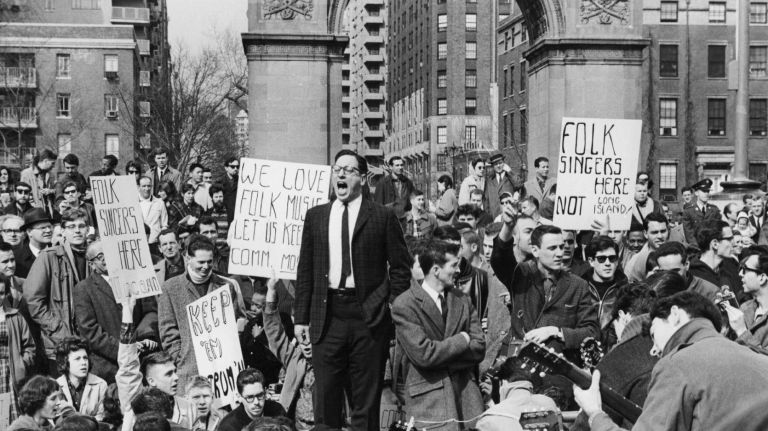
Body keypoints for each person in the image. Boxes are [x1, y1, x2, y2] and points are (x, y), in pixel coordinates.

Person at [295, 150, 411, 430]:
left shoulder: (382, 216)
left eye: (349, 170)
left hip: (368, 319)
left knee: (365, 404)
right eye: (337, 170)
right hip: (327, 316)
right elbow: (306, 270)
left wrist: (390, 304)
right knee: (325, 400)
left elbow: (400, 267)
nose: (341, 175)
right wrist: (301, 318)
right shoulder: (316, 217)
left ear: (362, 178)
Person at [574, 291, 768, 431]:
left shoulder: (677, 364)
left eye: (653, 333)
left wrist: (595, 414)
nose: (653, 349)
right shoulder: (759, 360)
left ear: (675, 314)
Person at [391, 240, 486, 429]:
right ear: (436, 270)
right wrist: (462, 339)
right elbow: (424, 355)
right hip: (429, 399)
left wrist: (439, 357)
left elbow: (479, 347)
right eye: (453, 265)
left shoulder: (463, 299)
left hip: (467, 397)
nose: (458, 270)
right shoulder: (405, 305)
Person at [495, 224, 599, 363]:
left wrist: (556, 331)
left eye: (561, 247)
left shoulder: (578, 285)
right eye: (552, 248)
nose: (560, 253)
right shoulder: (521, 274)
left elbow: (591, 331)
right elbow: (499, 258)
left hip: (558, 369)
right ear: (535, 250)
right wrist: (507, 225)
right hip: (520, 365)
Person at [157, 235, 245, 393]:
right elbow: (167, 331)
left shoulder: (226, 286)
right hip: (189, 369)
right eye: (201, 262)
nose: (206, 266)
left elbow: (232, 326)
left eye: (209, 262)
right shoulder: (170, 288)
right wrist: (181, 356)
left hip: (222, 370)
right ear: (188, 258)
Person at [74, 239, 157, 384]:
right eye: (100, 257)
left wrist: (142, 337)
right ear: (91, 264)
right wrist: (125, 348)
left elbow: (151, 310)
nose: (108, 258)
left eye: (110, 253)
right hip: (108, 366)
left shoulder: (134, 277)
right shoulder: (83, 289)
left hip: (142, 358)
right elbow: (90, 332)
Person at [24, 208, 90, 375]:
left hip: (88, 340)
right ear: (62, 231)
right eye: (71, 226)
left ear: (88, 229)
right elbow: (33, 300)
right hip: (60, 343)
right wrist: (58, 329)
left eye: (81, 226)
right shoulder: (49, 257)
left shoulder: (94, 256)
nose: (77, 230)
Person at [117, 296, 197, 431]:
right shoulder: (135, 403)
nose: (176, 377)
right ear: (151, 381)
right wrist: (128, 311)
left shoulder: (188, 407)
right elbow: (128, 366)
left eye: (174, 371)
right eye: (168, 374)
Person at [263, 274, 315, 430]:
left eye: (310, 337)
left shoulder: (334, 361)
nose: (305, 342)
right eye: (302, 337)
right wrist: (271, 291)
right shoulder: (295, 357)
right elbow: (274, 333)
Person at [0, 273, 36, 423]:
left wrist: (22, 363)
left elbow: (30, 347)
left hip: (12, 373)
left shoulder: (15, 317)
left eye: (1, 293)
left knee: (12, 418)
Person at [583, 236, 628, 349]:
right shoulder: (580, 288)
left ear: (617, 261)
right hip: (583, 352)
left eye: (612, 258)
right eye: (601, 259)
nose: (607, 263)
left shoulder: (626, 291)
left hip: (612, 353)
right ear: (591, 261)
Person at [54, 337, 107, 420]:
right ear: (65, 362)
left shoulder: (100, 384)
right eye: (77, 359)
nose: (83, 363)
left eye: (85, 358)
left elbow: (102, 417)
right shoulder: (55, 386)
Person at [216, 369, 287, 431]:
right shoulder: (228, 426)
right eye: (250, 397)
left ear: (265, 392)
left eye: (260, 395)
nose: (256, 402)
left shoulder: (278, 411)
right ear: (239, 397)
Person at [724, 251, 768, 350]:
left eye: (745, 270)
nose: (740, 274)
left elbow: (764, 361)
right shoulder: (745, 307)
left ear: (762, 278)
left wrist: (741, 331)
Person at [654, 241, 721, 302]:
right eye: (664, 272)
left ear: (686, 265)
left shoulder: (710, 292)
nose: (670, 276)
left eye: (675, 271)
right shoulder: (655, 292)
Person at [689, 221, 741, 295]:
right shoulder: (693, 277)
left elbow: (741, 296)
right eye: (729, 239)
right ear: (715, 244)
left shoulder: (731, 265)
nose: (734, 243)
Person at [490, 212, 537, 288]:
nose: (534, 236)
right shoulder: (506, 266)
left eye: (536, 232)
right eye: (528, 232)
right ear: (513, 237)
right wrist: (508, 226)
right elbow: (500, 254)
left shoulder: (540, 266)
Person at [625, 213, 669, 282]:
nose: (660, 236)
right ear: (645, 234)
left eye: (663, 231)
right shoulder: (635, 262)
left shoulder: (676, 253)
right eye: (654, 232)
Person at [682, 178, 722, 247]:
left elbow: (718, 230)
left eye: (708, 191)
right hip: (696, 249)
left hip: (711, 248)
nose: (706, 194)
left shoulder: (714, 210)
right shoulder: (688, 212)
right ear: (696, 193)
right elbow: (689, 235)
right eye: (704, 191)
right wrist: (698, 248)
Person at [15, 208, 53, 278]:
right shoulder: (17, 259)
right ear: (29, 232)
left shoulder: (59, 252)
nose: (48, 230)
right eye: (42, 228)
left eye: (49, 226)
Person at [374, 156, 414, 220]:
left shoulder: (408, 182)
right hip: (388, 219)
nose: (400, 167)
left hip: (405, 219)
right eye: (397, 165)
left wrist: (410, 213)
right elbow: (378, 205)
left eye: (401, 165)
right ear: (390, 167)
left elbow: (413, 200)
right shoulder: (382, 183)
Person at [138, 176, 168, 256]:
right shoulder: (133, 203)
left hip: (154, 243)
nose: (147, 189)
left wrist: (160, 239)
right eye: (144, 186)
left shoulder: (160, 203)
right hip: (138, 244)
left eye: (149, 186)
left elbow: (164, 224)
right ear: (139, 187)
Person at [20, 149, 57, 214]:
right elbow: (24, 196)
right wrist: (35, 210)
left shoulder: (51, 174)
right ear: (45, 161)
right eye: (52, 163)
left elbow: (57, 190)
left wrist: (50, 191)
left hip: (49, 213)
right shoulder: (26, 174)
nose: (53, 166)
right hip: (33, 214)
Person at [483, 153, 518, 218]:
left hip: (509, 215)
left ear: (504, 164)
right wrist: (488, 216)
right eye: (496, 164)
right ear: (493, 166)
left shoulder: (510, 177)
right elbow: (486, 200)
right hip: (494, 216)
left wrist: (510, 171)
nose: (498, 166)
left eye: (500, 163)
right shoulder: (489, 181)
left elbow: (519, 185)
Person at [203, 183, 229, 248]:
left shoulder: (230, 213)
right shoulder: (208, 213)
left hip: (226, 250)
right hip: (211, 249)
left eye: (220, 196)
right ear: (212, 198)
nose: (218, 199)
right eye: (216, 197)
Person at [222, 157, 239, 223]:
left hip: (237, 218)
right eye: (232, 166)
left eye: (237, 167)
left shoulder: (242, 183)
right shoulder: (219, 182)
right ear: (226, 168)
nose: (235, 169)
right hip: (223, 217)